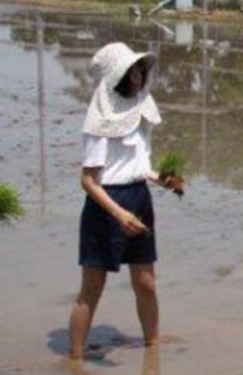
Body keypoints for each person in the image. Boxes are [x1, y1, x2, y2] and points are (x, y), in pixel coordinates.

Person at [68, 43, 171, 359]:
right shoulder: (101, 120)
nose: (139, 77)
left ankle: (153, 350)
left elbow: (138, 165)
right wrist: (119, 214)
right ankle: (74, 358)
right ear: (117, 77)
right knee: (92, 289)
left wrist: (160, 178)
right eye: (132, 71)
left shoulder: (140, 109)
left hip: (139, 197)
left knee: (146, 283)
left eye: (142, 70)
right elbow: (88, 181)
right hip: (107, 205)